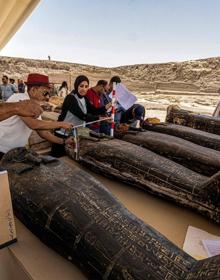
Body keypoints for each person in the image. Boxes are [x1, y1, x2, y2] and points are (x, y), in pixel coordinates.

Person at [0, 73, 74, 160]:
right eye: (45, 93)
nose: (47, 97)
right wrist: (60, 124)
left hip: (14, 152)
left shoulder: (33, 105)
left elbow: (44, 133)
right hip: (2, 150)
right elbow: (34, 124)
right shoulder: (20, 98)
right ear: (34, 90)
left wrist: (64, 141)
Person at [51, 75, 112, 157]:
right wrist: (100, 119)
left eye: (86, 86)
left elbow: (94, 110)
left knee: (71, 158)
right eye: (81, 86)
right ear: (76, 85)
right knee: (59, 158)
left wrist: (107, 106)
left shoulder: (84, 99)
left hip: (74, 133)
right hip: (63, 133)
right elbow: (82, 116)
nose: (84, 89)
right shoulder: (70, 98)